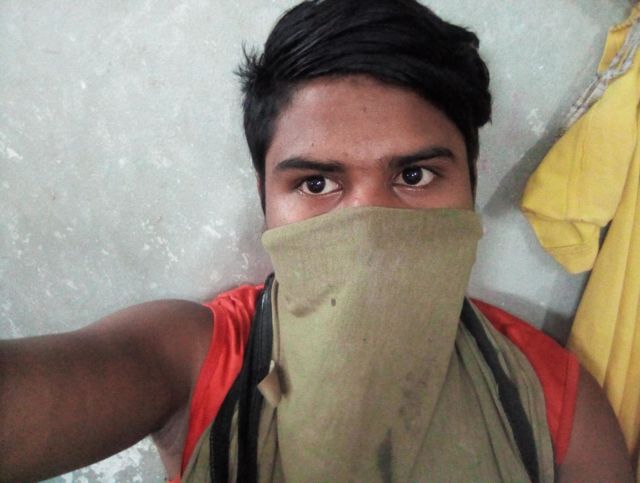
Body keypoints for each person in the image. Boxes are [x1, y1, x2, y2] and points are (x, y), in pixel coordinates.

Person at [0, 0, 633, 481]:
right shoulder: (193, 358)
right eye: (317, 183)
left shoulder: (551, 397)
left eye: (414, 175)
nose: (369, 226)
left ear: (471, 180)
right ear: (265, 200)